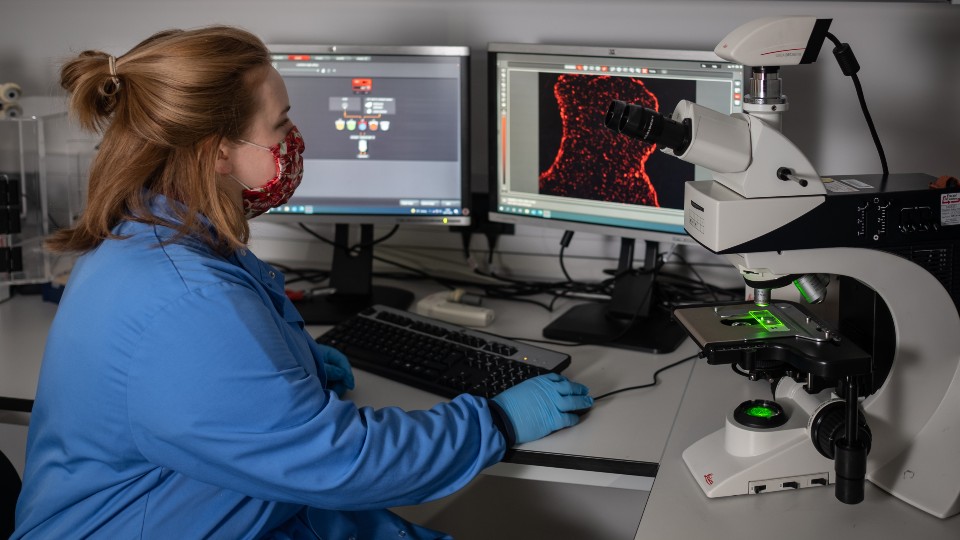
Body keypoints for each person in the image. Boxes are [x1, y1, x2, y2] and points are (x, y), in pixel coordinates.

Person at [12, 26, 593, 539]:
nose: (294, 137)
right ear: (218, 152)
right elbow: (344, 463)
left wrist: (294, 366)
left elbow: (200, 397)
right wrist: (495, 422)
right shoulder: (189, 298)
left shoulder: (145, 232)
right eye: (281, 122)